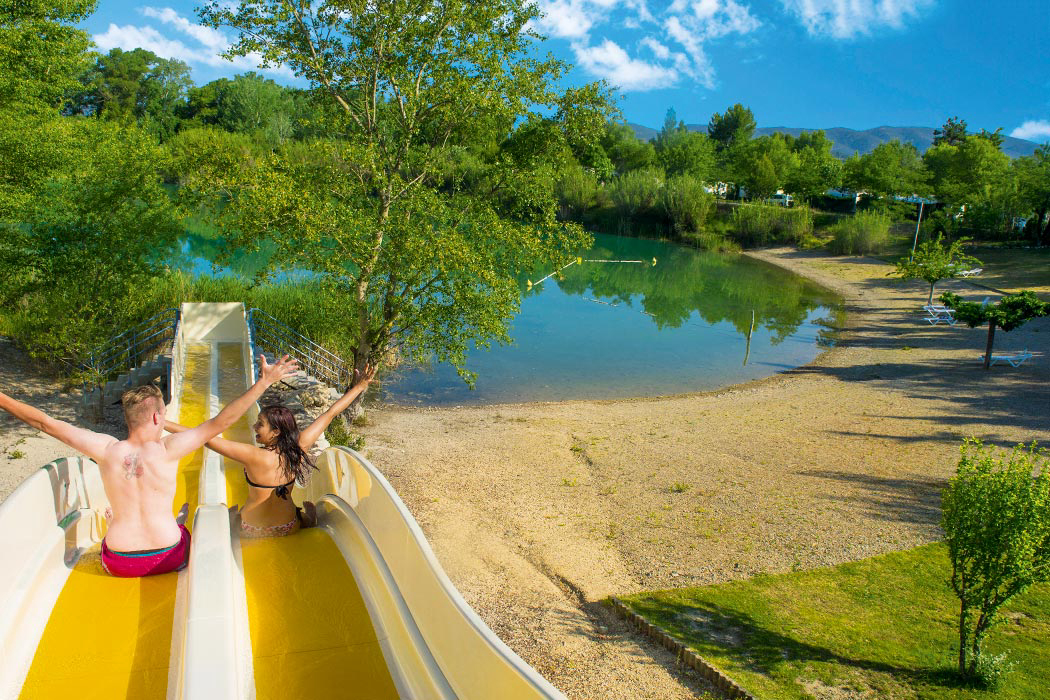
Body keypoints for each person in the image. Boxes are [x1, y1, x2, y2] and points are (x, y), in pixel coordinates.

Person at [0, 354, 298, 576]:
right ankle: (176, 523)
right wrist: (265, 381)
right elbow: (224, 420)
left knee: (116, 521)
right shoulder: (168, 449)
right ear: (158, 417)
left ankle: (123, 521)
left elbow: (44, 422)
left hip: (120, 561)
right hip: (169, 555)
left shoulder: (105, 449)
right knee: (185, 528)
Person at [164, 363, 377, 538]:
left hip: (254, 529)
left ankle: (234, 520)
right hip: (289, 526)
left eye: (260, 424)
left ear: (275, 431)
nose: (255, 427)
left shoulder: (254, 455)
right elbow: (330, 413)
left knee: (228, 513)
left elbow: (203, 437)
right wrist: (359, 387)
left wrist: (162, 423)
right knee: (300, 511)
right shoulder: (298, 448)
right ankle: (308, 520)